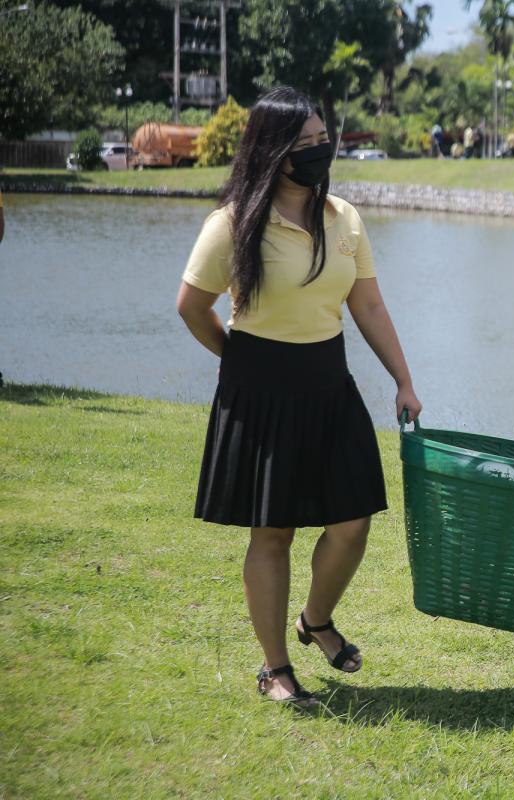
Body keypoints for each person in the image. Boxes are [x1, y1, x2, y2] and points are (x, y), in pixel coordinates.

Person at [175, 86, 422, 707]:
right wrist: (235, 357)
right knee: (273, 533)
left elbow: (366, 302)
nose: (319, 151)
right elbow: (192, 305)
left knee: (353, 522)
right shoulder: (232, 224)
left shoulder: (344, 218)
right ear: (273, 151)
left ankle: (315, 619)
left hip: (328, 382)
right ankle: (275, 668)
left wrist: (403, 378)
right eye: (304, 143)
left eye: (322, 139)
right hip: (261, 388)